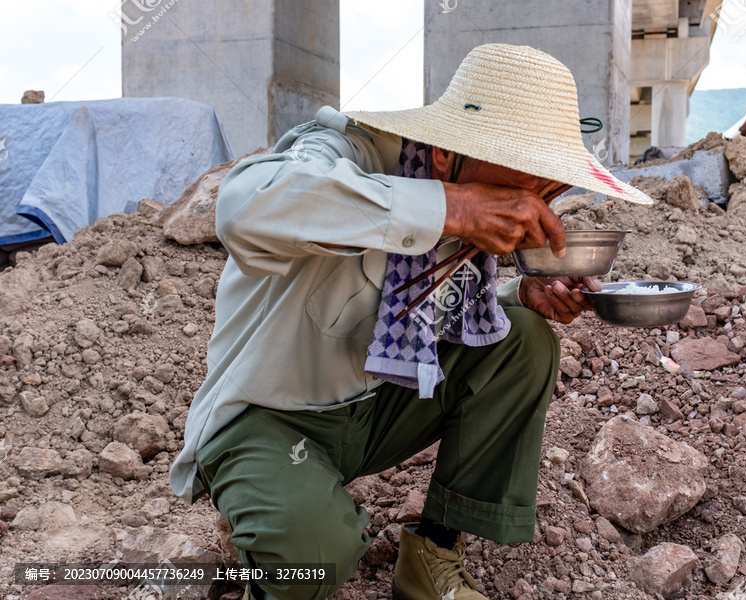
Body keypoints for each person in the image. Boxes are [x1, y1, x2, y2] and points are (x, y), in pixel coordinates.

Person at [169, 43, 651, 600]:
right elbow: (244, 207)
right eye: (531, 181)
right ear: (448, 158)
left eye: (554, 185)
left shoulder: (465, 197)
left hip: (373, 412)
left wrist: (522, 289)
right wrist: (450, 208)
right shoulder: (341, 151)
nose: (541, 202)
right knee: (315, 553)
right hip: (268, 420)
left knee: (522, 342)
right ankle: (269, 540)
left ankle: (431, 556)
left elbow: (408, 303)